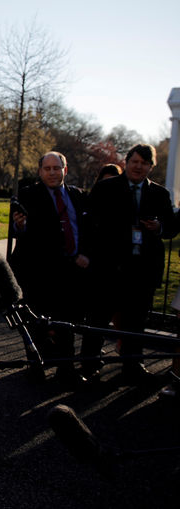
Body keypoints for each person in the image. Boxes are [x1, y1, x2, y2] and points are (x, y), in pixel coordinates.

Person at [81, 144, 178, 383]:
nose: (138, 167)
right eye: (134, 162)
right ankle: (90, 364)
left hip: (141, 269)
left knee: (136, 321)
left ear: (151, 166)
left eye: (144, 163)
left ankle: (133, 365)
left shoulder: (159, 194)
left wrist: (159, 228)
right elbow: (88, 221)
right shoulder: (106, 188)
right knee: (99, 318)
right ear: (127, 162)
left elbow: (172, 228)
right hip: (109, 266)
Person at [10, 152, 90, 386]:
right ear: (40, 171)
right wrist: (20, 225)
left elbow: (87, 228)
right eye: (48, 168)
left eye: (57, 168)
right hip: (40, 271)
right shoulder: (29, 195)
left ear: (65, 170)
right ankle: (37, 366)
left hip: (72, 268)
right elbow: (20, 232)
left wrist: (85, 253)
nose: (53, 172)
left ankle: (67, 369)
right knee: (38, 321)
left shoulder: (77, 196)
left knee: (67, 322)